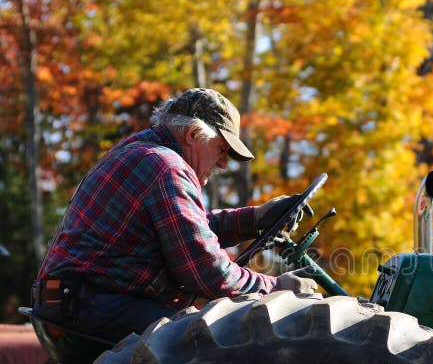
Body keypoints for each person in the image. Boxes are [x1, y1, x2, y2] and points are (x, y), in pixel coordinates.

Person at [32, 88, 317, 343]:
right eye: (221, 149)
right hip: (96, 305)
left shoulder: (144, 152)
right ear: (193, 135)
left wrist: (255, 219)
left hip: (79, 300)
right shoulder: (166, 167)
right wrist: (277, 286)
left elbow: (186, 230)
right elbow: (207, 271)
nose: (223, 163)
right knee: (215, 347)